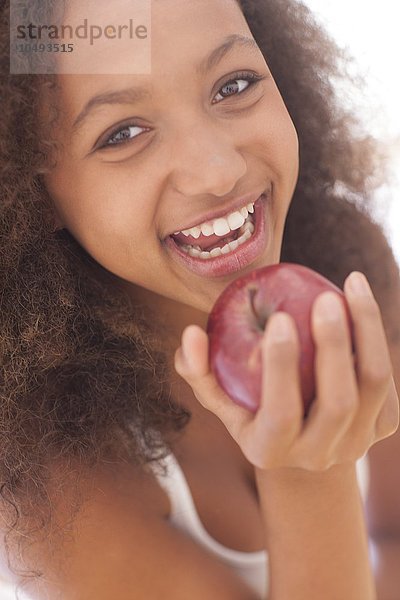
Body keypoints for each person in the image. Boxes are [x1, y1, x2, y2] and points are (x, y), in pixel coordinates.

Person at [0, 0, 399, 598]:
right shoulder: (53, 486)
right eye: (123, 133)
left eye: (233, 84)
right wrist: (308, 476)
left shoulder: (347, 263)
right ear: (29, 192)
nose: (216, 171)